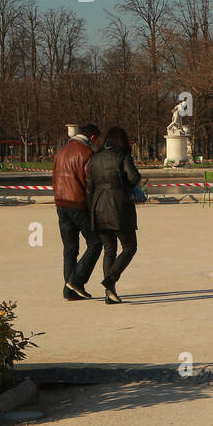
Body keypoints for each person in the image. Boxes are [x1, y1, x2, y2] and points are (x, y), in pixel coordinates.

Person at [87, 126, 142, 303]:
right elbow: (134, 178)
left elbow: (89, 187)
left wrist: (91, 210)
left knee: (109, 250)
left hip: (98, 206)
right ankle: (111, 278)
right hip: (118, 206)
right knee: (129, 247)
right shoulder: (122, 156)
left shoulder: (94, 158)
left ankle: (110, 293)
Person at [53, 124, 104, 300]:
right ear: (92, 137)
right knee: (96, 242)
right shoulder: (87, 153)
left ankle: (69, 290)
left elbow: (54, 178)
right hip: (78, 203)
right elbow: (90, 184)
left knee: (70, 248)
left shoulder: (60, 152)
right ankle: (77, 280)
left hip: (61, 203)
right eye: (97, 139)